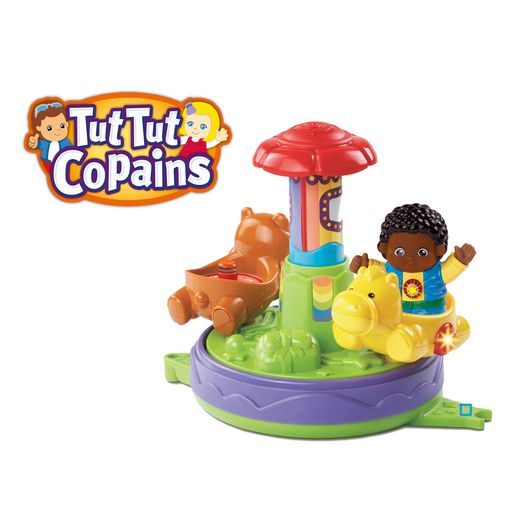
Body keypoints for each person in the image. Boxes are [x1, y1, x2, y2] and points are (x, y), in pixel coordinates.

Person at [350, 203, 476, 315]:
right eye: (399, 252)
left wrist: (459, 260)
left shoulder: (436, 273)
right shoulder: (388, 270)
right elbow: (373, 274)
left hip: (431, 317)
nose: (410, 258)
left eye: (422, 252)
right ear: (384, 248)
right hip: (394, 316)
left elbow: (450, 269)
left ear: (439, 250)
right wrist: (363, 267)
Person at [27, 101, 72, 171]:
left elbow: (71, 150)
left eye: (62, 126)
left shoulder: (65, 142)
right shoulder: (45, 143)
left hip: (62, 163)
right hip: (46, 163)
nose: (57, 131)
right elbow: (36, 145)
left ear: (67, 124)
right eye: (49, 128)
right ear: (39, 128)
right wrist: (33, 143)